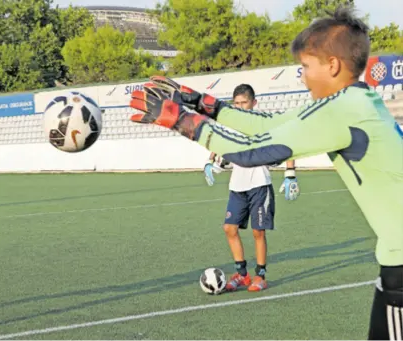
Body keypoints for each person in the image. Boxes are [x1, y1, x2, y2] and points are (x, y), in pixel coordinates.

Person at [129, 6, 402, 340]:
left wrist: (181, 119)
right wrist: (201, 103)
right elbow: (268, 125)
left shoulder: (343, 109)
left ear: (333, 65)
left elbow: (252, 152)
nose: (301, 76)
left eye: (305, 67)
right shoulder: (354, 101)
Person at [204, 83, 299, 292]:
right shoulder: (230, 127)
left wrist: (290, 174)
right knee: (229, 228)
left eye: (244, 102)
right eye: (236, 103)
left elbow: (289, 145)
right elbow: (218, 148)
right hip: (237, 185)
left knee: (258, 232)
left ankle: (261, 275)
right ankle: (242, 274)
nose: (239, 106)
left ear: (253, 103)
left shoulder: (264, 125)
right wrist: (211, 164)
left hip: (259, 184)